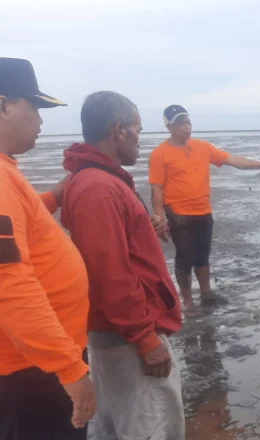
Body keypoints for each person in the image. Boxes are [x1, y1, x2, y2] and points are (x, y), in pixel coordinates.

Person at [61, 91, 185, 439]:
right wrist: (145, 339)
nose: (140, 141)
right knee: (150, 425)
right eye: (138, 131)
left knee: (117, 423)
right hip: (126, 337)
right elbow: (108, 274)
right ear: (119, 131)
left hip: (120, 332)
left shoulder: (99, 180)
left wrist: (146, 225)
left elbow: (115, 248)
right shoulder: (97, 187)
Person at [0, 57, 95, 439]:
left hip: (37, 362)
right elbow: (8, 285)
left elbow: (18, 218)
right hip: (32, 370)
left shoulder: (7, 172)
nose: (41, 121)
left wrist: (54, 196)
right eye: (35, 107)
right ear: (4, 105)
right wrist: (70, 371)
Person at [149, 104, 260, 316]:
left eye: (188, 122)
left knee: (203, 254)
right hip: (178, 214)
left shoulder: (203, 147)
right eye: (180, 124)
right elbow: (157, 189)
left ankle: (206, 293)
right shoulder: (159, 154)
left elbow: (233, 160)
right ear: (169, 127)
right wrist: (159, 218)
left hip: (203, 210)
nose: (186, 127)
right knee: (184, 256)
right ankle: (187, 301)